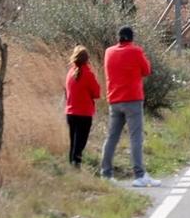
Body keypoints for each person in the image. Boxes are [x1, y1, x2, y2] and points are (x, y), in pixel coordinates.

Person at [100, 26, 160, 186]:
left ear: (119, 37)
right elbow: (146, 70)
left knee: (112, 137)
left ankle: (105, 173)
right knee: (136, 137)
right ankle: (139, 175)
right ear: (131, 38)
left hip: (114, 99)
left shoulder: (109, 52)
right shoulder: (135, 51)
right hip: (132, 99)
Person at [63, 45, 100, 168]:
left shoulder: (70, 73)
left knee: (73, 142)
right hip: (84, 114)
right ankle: (76, 164)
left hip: (70, 113)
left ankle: (72, 165)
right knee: (80, 143)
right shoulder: (88, 74)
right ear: (87, 59)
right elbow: (96, 93)